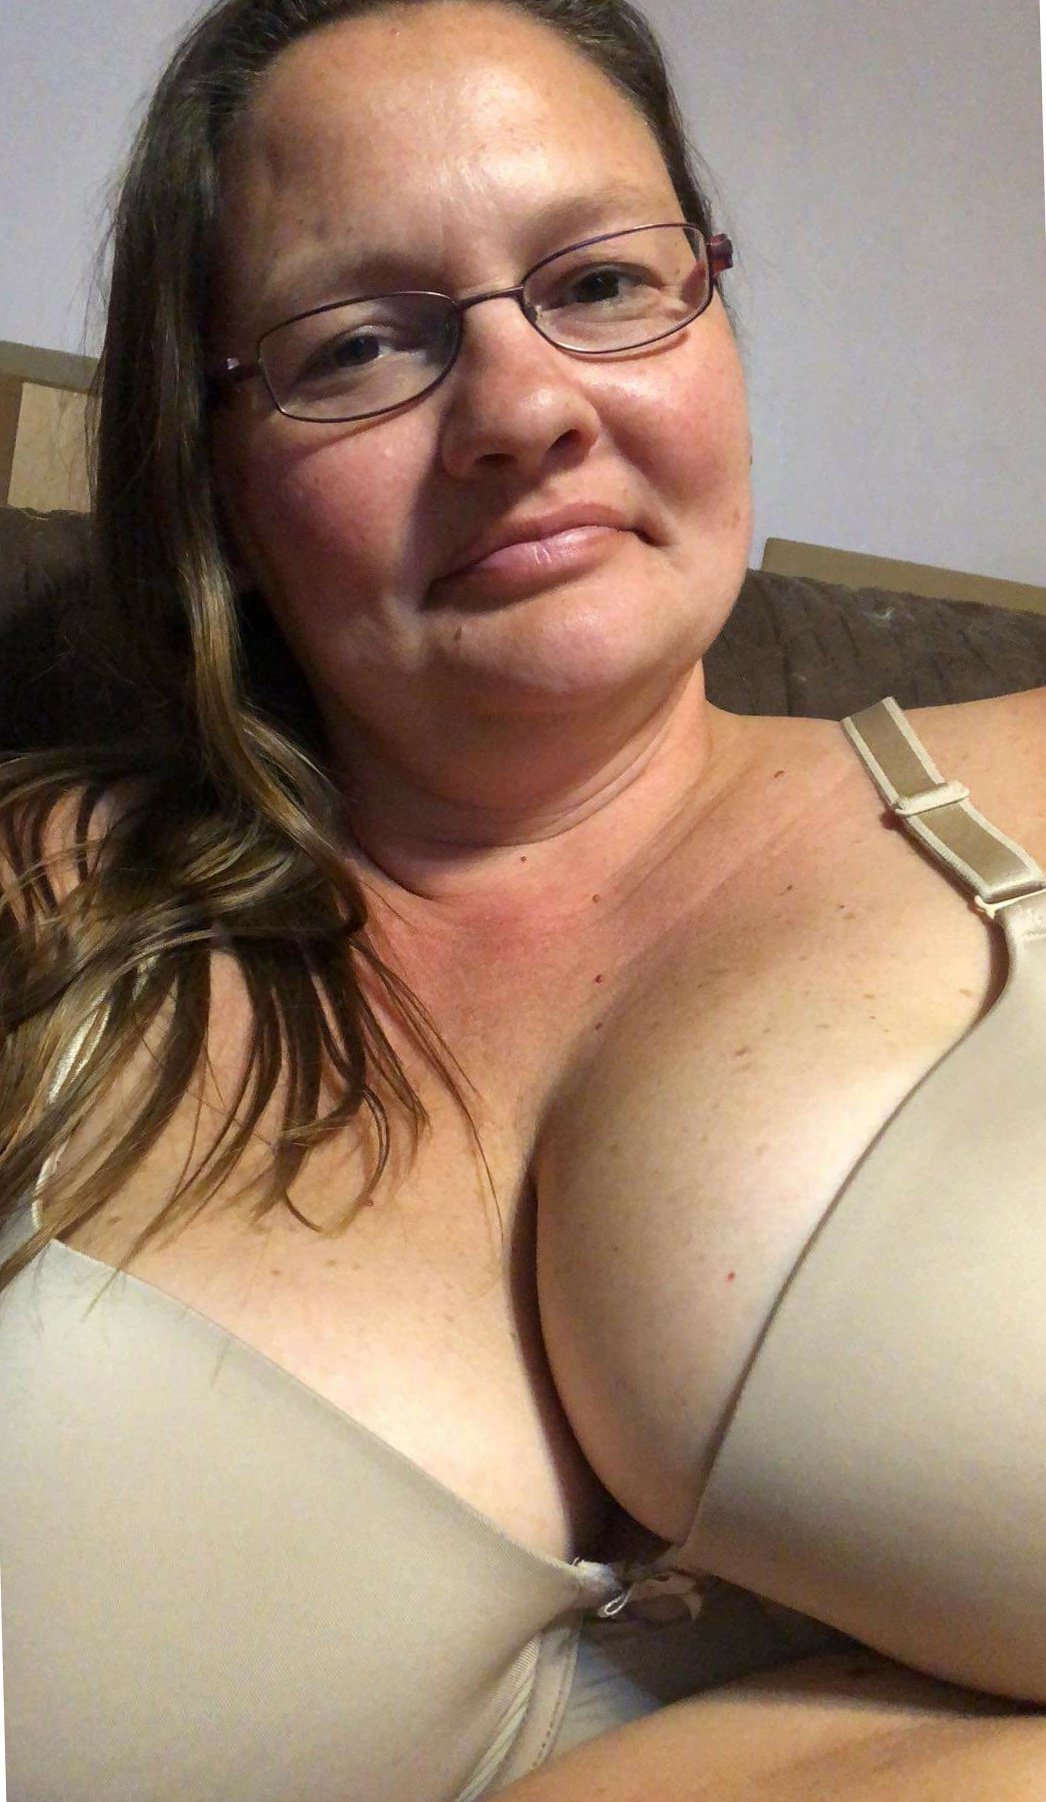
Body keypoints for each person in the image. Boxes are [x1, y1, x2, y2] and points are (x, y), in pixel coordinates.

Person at [1, 0, 1044, 1797]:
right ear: (215, 474)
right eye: (355, 344)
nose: (523, 409)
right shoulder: (41, 911)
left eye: (601, 282)